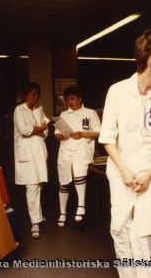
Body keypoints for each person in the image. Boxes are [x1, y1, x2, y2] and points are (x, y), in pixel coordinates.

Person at [99, 28, 151, 278]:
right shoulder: (118, 91)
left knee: (144, 237)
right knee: (121, 231)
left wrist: (146, 176)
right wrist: (125, 172)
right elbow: (108, 138)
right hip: (122, 172)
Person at [54, 86, 101, 227]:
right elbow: (56, 134)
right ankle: (62, 213)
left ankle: (81, 205)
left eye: (72, 99)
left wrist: (82, 134)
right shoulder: (63, 115)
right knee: (63, 181)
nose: (70, 102)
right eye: (67, 100)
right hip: (65, 150)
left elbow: (98, 132)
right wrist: (62, 135)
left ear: (79, 98)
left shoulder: (90, 113)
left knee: (78, 173)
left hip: (82, 148)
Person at [13, 81, 49, 239]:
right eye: (33, 94)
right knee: (32, 187)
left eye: (37, 94)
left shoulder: (38, 110)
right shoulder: (19, 110)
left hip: (39, 153)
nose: (36, 97)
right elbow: (25, 130)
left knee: (38, 185)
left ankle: (38, 217)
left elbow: (46, 132)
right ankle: (35, 222)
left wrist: (41, 129)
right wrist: (40, 128)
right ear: (26, 94)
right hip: (27, 155)